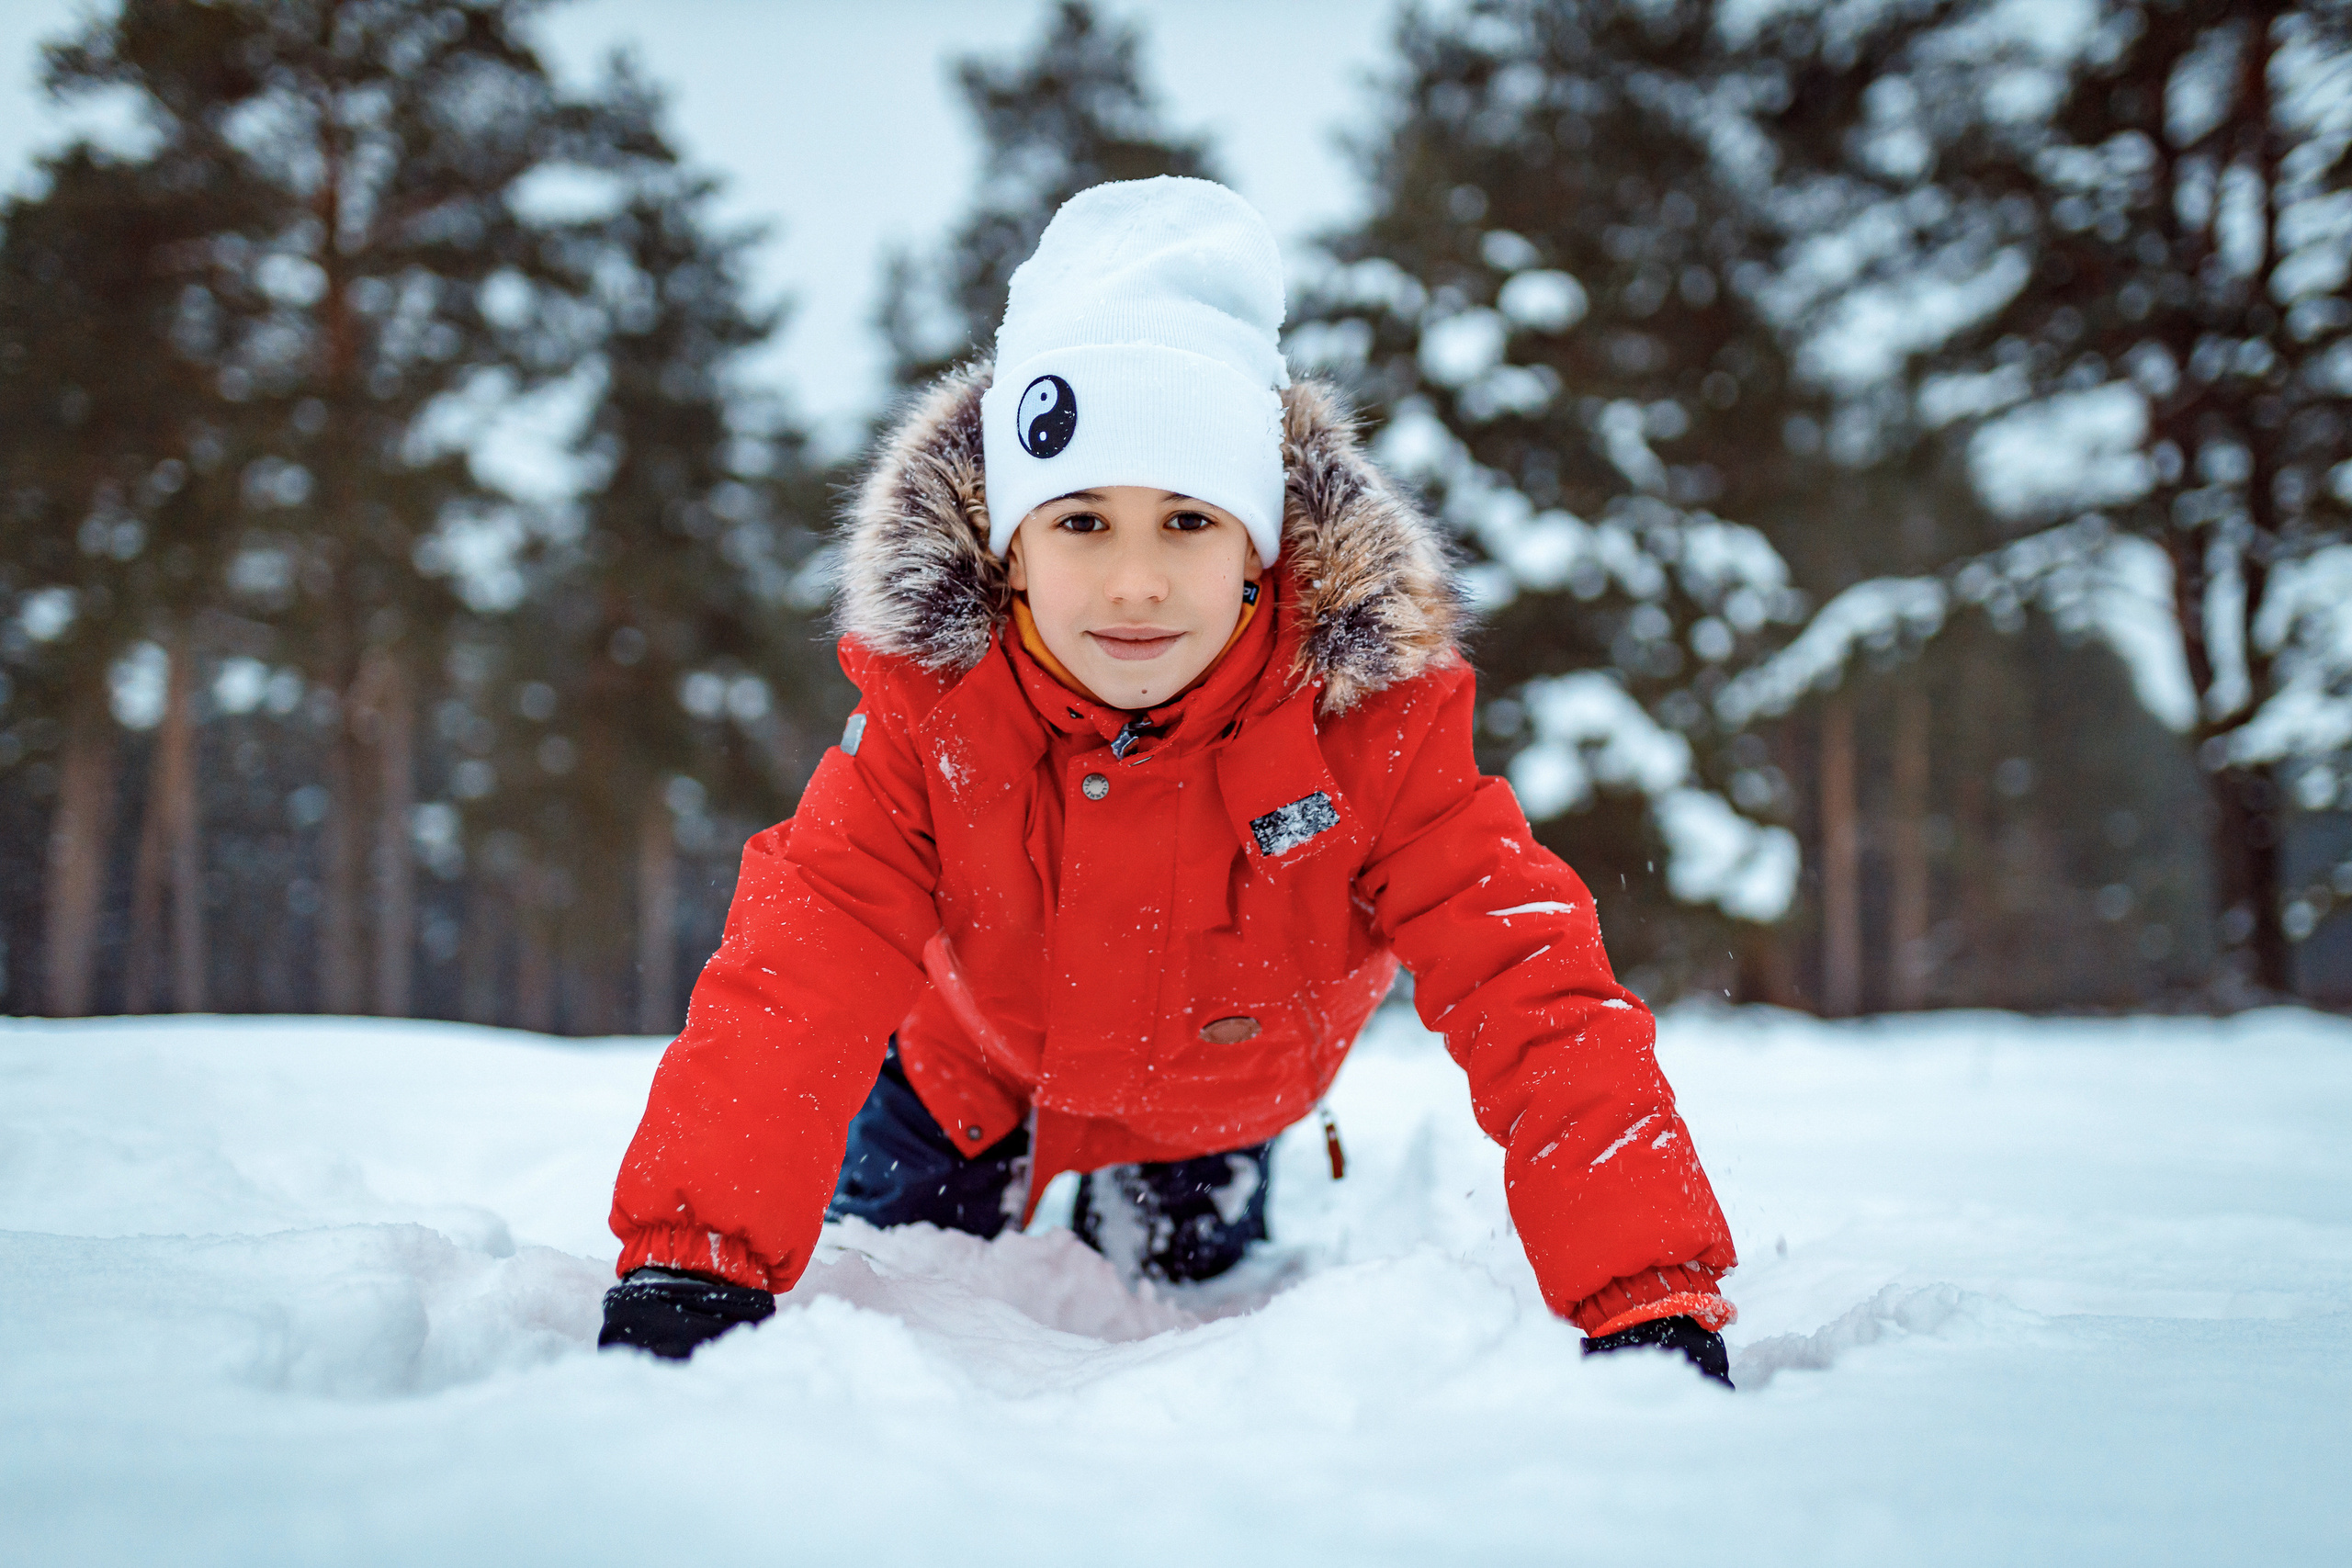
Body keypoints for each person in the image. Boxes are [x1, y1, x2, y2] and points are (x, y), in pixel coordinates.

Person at [598, 176, 1737, 1386]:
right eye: (1082, 522)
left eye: (1187, 522)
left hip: (1220, 1106)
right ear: (1010, 544)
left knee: (1193, 1314)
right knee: (890, 1293)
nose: (1134, 584)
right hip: (964, 1082)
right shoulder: (935, 719)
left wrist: (1644, 1292)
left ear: (1260, 545)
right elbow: (797, 974)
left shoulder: (1366, 728)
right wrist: (696, 1259)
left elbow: (1533, 987)